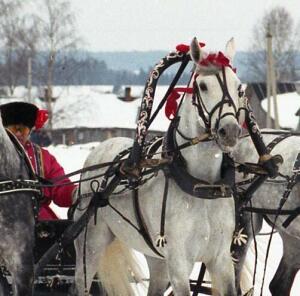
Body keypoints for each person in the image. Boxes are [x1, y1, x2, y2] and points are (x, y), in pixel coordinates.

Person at [0, 101, 77, 220]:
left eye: (24, 129)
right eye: (14, 129)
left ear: (30, 131)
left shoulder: (43, 156)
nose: (19, 133)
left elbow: (59, 185)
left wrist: (75, 193)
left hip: (40, 221)